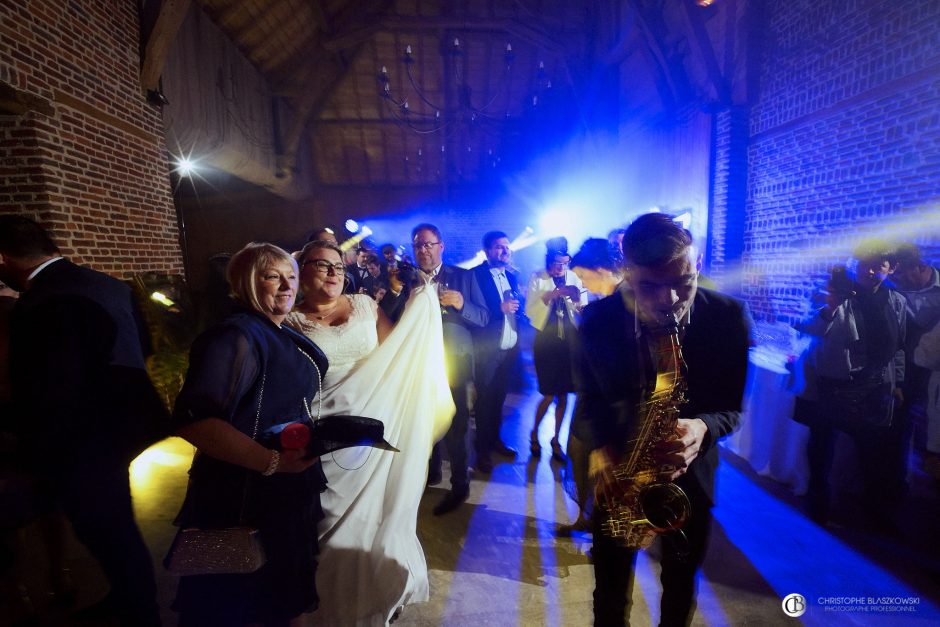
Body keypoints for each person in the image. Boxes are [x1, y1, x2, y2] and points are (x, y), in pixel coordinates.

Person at [575, 213, 750, 627]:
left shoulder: (728, 318)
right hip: (619, 475)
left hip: (689, 481)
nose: (669, 300)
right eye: (650, 286)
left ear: (698, 263)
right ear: (627, 271)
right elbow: (590, 400)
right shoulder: (598, 320)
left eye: (683, 282)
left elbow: (731, 408)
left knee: (679, 587)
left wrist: (703, 427)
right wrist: (602, 450)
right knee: (610, 595)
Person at [0, 215, 169, 627]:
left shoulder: (39, 302)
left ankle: (138, 610)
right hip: (124, 429)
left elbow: (48, 390)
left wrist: (30, 449)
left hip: (81, 444)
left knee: (106, 533)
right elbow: (143, 350)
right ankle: (131, 598)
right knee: (118, 528)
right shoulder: (109, 284)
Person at [286, 239, 455, 624]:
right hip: (323, 428)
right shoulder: (290, 321)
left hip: (373, 424)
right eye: (321, 265)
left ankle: (374, 593)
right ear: (301, 271)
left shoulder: (365, 305)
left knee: (374, 512)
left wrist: (420, 308)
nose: (332, 274)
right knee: (328, 518)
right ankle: (329, 605)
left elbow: (397, 352)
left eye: (338, 267)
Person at [170, 242, 328, 627]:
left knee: (284, 598)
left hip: (284, 490)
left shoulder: (274, 330)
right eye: (273, 276)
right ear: (245, 282)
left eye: (291, 276)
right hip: (245, 495)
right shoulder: (236, 335)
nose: (287, 285)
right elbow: (196, 420)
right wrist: (273, 462)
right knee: (241, 602)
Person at [801, 240, 907, 526]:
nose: (869, 271)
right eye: (864, 264)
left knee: (871, 452)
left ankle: (872, 509)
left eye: (878, 266)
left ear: (891, 268)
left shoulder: (895, 300)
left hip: (874, 386)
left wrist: (898, 383)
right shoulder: (834, 291)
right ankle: (817, 500)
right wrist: (829, 308)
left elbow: (898, 347)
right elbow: (806, 326)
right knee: (821, 446)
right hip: (833, 384)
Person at [408, 224, 489, 515]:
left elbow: (483, 317)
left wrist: (462, 303)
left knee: (456, 425)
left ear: (441, 246)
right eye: (418, 245)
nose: (424, 250)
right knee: (424, 422)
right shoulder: (407, 280)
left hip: (453, 362)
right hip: (417, 363)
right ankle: (431, 474)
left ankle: (460, 484)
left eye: (429, 244)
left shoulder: (463, 277)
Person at [557, 239, 626, 536]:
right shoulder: (606, 304)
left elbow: (611, 372)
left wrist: (603, 437)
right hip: (590, 400)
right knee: (578, 455)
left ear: (601, 270)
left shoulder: (620, 306)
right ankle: (587, 517)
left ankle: (601, 527)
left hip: (605, 407)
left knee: (599, 465)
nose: (583, 282)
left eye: (584, 276)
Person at [525, 239, 587, 462]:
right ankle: (534, 433)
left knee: (563, 396)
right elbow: (529, 311)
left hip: (569, 342)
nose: (561, 267)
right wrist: (550, 295)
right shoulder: (538, 277)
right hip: (546, 342)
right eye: (557, 263)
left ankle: (556, 440)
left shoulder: (574, 277)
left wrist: (577, 298)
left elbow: (582, 311)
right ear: (549, 261)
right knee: (548, 392)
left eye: (565, 262)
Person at [472, 231, 524, 473]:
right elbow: (471, 313)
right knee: (484, 402)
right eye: (499, 247)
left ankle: (495, 440)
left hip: (508, 348)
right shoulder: (476, 276)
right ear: (487, 251)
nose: (505, 251)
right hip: (487, 350)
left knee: (499, 399)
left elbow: (514, 309)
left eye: (507, 247)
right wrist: (498, 308)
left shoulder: (511, 277)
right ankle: (482, 450)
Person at [893, 243, 940, 480]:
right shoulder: (896, 292)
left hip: (936, 373)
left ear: (921, 267)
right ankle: (899, 483)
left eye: (902, 273)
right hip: (907, 373)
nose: (898, 279)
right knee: (899, 429)